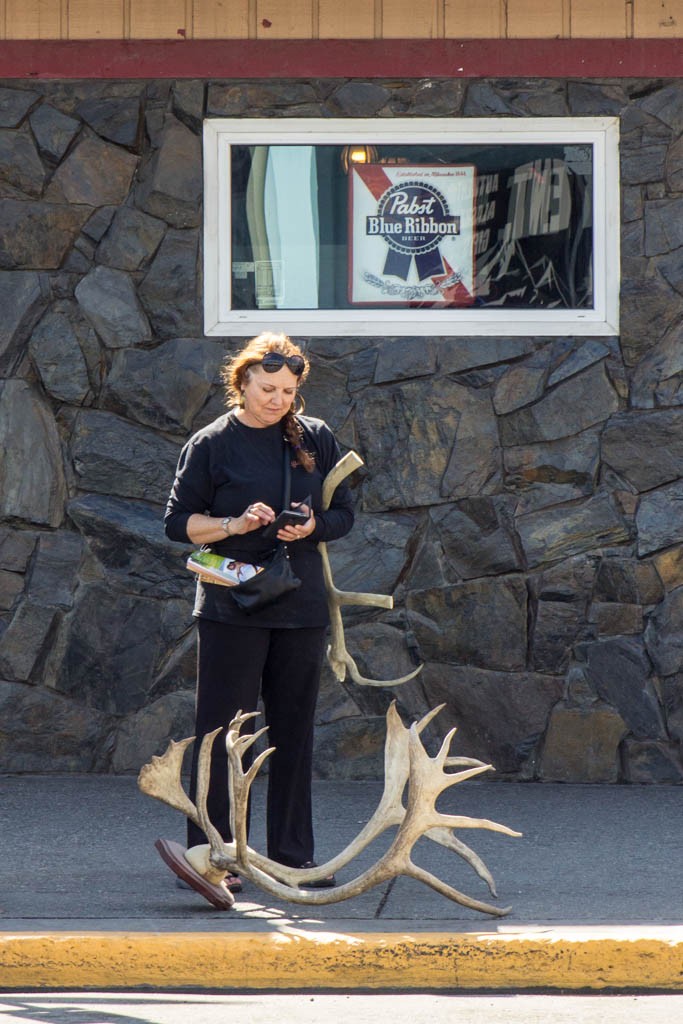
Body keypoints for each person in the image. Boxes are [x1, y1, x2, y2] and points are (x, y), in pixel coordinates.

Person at [164, 332, 354, 895]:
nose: (278, 400)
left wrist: (313, 526)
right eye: (268, 388)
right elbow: (178, 524)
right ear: (241, 382)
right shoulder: (212, 443)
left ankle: (293, 858)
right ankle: (211, 855)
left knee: (294, 734)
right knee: (221, 735)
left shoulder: (314, 437)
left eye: (288, 391)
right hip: (231, 605)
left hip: (300, 606)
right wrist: (234, 526)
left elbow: (344, 513)